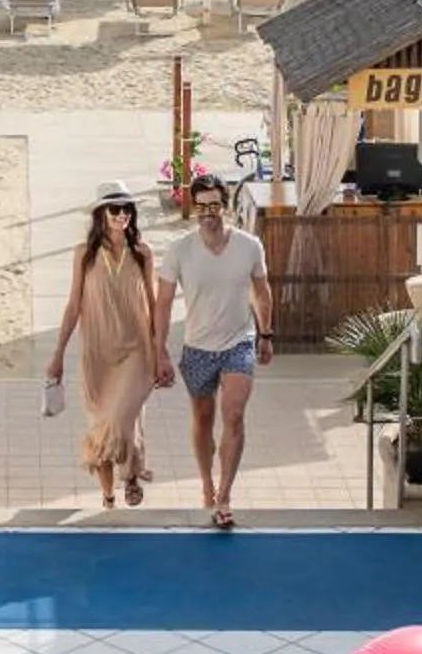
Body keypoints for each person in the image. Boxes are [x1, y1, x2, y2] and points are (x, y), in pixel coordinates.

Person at [154, 173, 273, 530]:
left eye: (215, 205)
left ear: (226, 206)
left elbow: (262, 292)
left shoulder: (250, 246)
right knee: (203, 420)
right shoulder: (180, 250)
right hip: (197, 348)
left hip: (238, 343)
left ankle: (224, 496)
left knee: (233, 415)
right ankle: (206, 481)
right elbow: (161, 304)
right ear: (194, 209)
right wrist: (159, 351)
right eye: (202, 206)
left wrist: (265, 334)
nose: (208, 212)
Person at [47, 186, 157, 510]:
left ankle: (133, 473)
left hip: (137, 349)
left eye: (127, 209)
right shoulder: (85, 253)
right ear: (101, 215)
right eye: (115, 209)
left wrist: (161, 349)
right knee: (102, 425)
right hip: (97, 354)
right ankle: (108, 496)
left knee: (123, 418)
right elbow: (73, 306)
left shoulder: (143, 252)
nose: (122, 214)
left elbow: (153, 304)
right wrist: (57, 354)